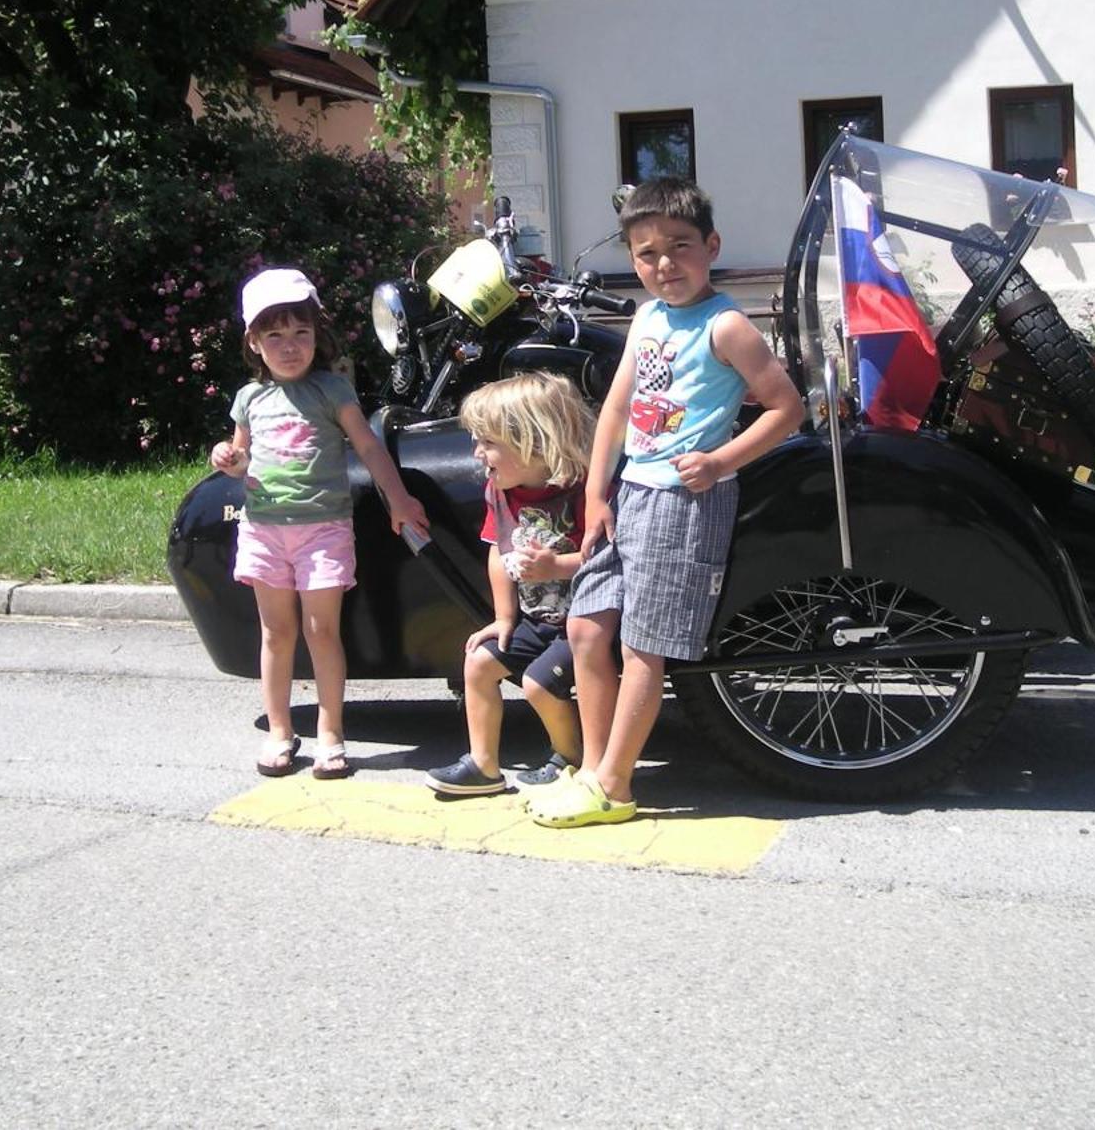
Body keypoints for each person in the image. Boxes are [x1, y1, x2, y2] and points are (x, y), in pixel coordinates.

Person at [527, 177, 804, 828]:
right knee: (586, 630)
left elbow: (787, 408)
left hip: (683, 502)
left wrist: (720, 461)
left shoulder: (727, 325)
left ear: (711, 245)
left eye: (679, 247)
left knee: (643, 648)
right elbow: (618, 407)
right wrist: (596, 493)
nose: (663, 264)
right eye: (646, 252)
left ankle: (614, 785)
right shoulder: (647, 316)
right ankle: (596, 773)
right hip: (630, 494)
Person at [210, 267, 427, 780]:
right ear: (254, 342)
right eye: (275, 335)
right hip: (263, 531)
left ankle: (331, 733)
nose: (290, 346)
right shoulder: (249, 398)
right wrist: (228, 458)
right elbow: (240, 459)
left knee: (321, 631)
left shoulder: (332, 390)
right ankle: (281, 731)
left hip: (323, 530)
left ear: (317, 336)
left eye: (301, 333)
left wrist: (398, 500)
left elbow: (369, 445)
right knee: (277, 633)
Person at [424, 373, 598, 798]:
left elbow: (607, 557)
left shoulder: (583, 489)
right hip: (537, 617)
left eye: (488, 442)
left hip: (584, 622)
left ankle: (568, 756)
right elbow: (498, 552)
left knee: (539, 684)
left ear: (534, 442)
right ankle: (483, 766)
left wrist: (556, 566)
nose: (478, 454)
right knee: (479, 664)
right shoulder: (500, 491)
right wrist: (503, 617)